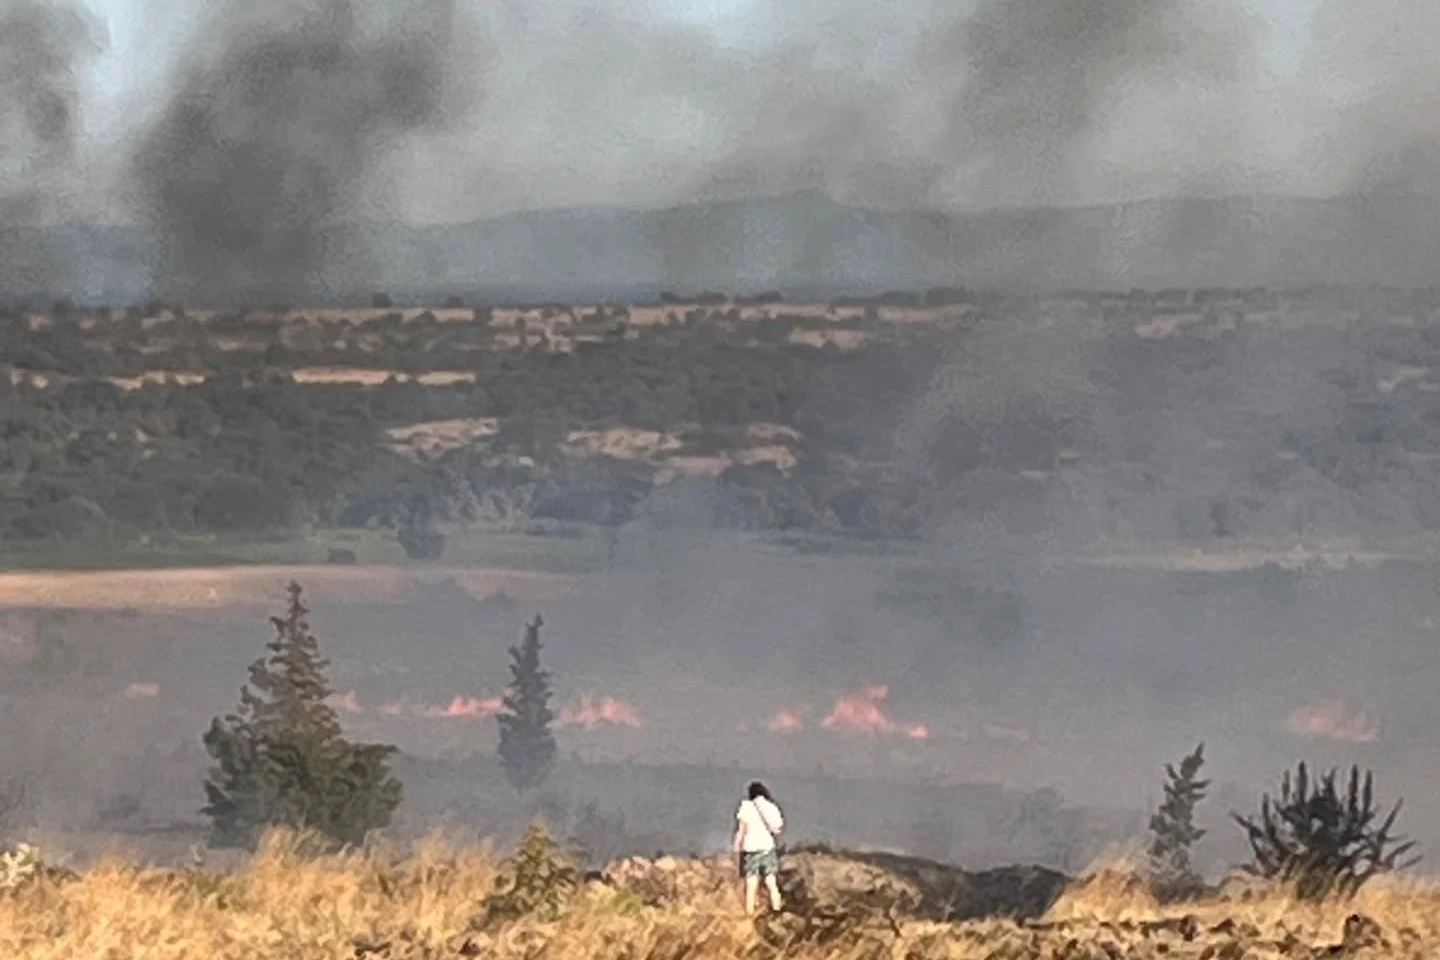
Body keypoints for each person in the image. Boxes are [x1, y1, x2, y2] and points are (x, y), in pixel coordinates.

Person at [733, 780, 784, 916]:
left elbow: (741, 830)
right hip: (768, 847)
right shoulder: (770, 807)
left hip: (751, 848)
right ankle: (777, 907)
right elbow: (777, 828)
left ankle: (749, 913)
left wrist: (737, 846)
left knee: (751, 883)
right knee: (771, 880)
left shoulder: (746, 806)